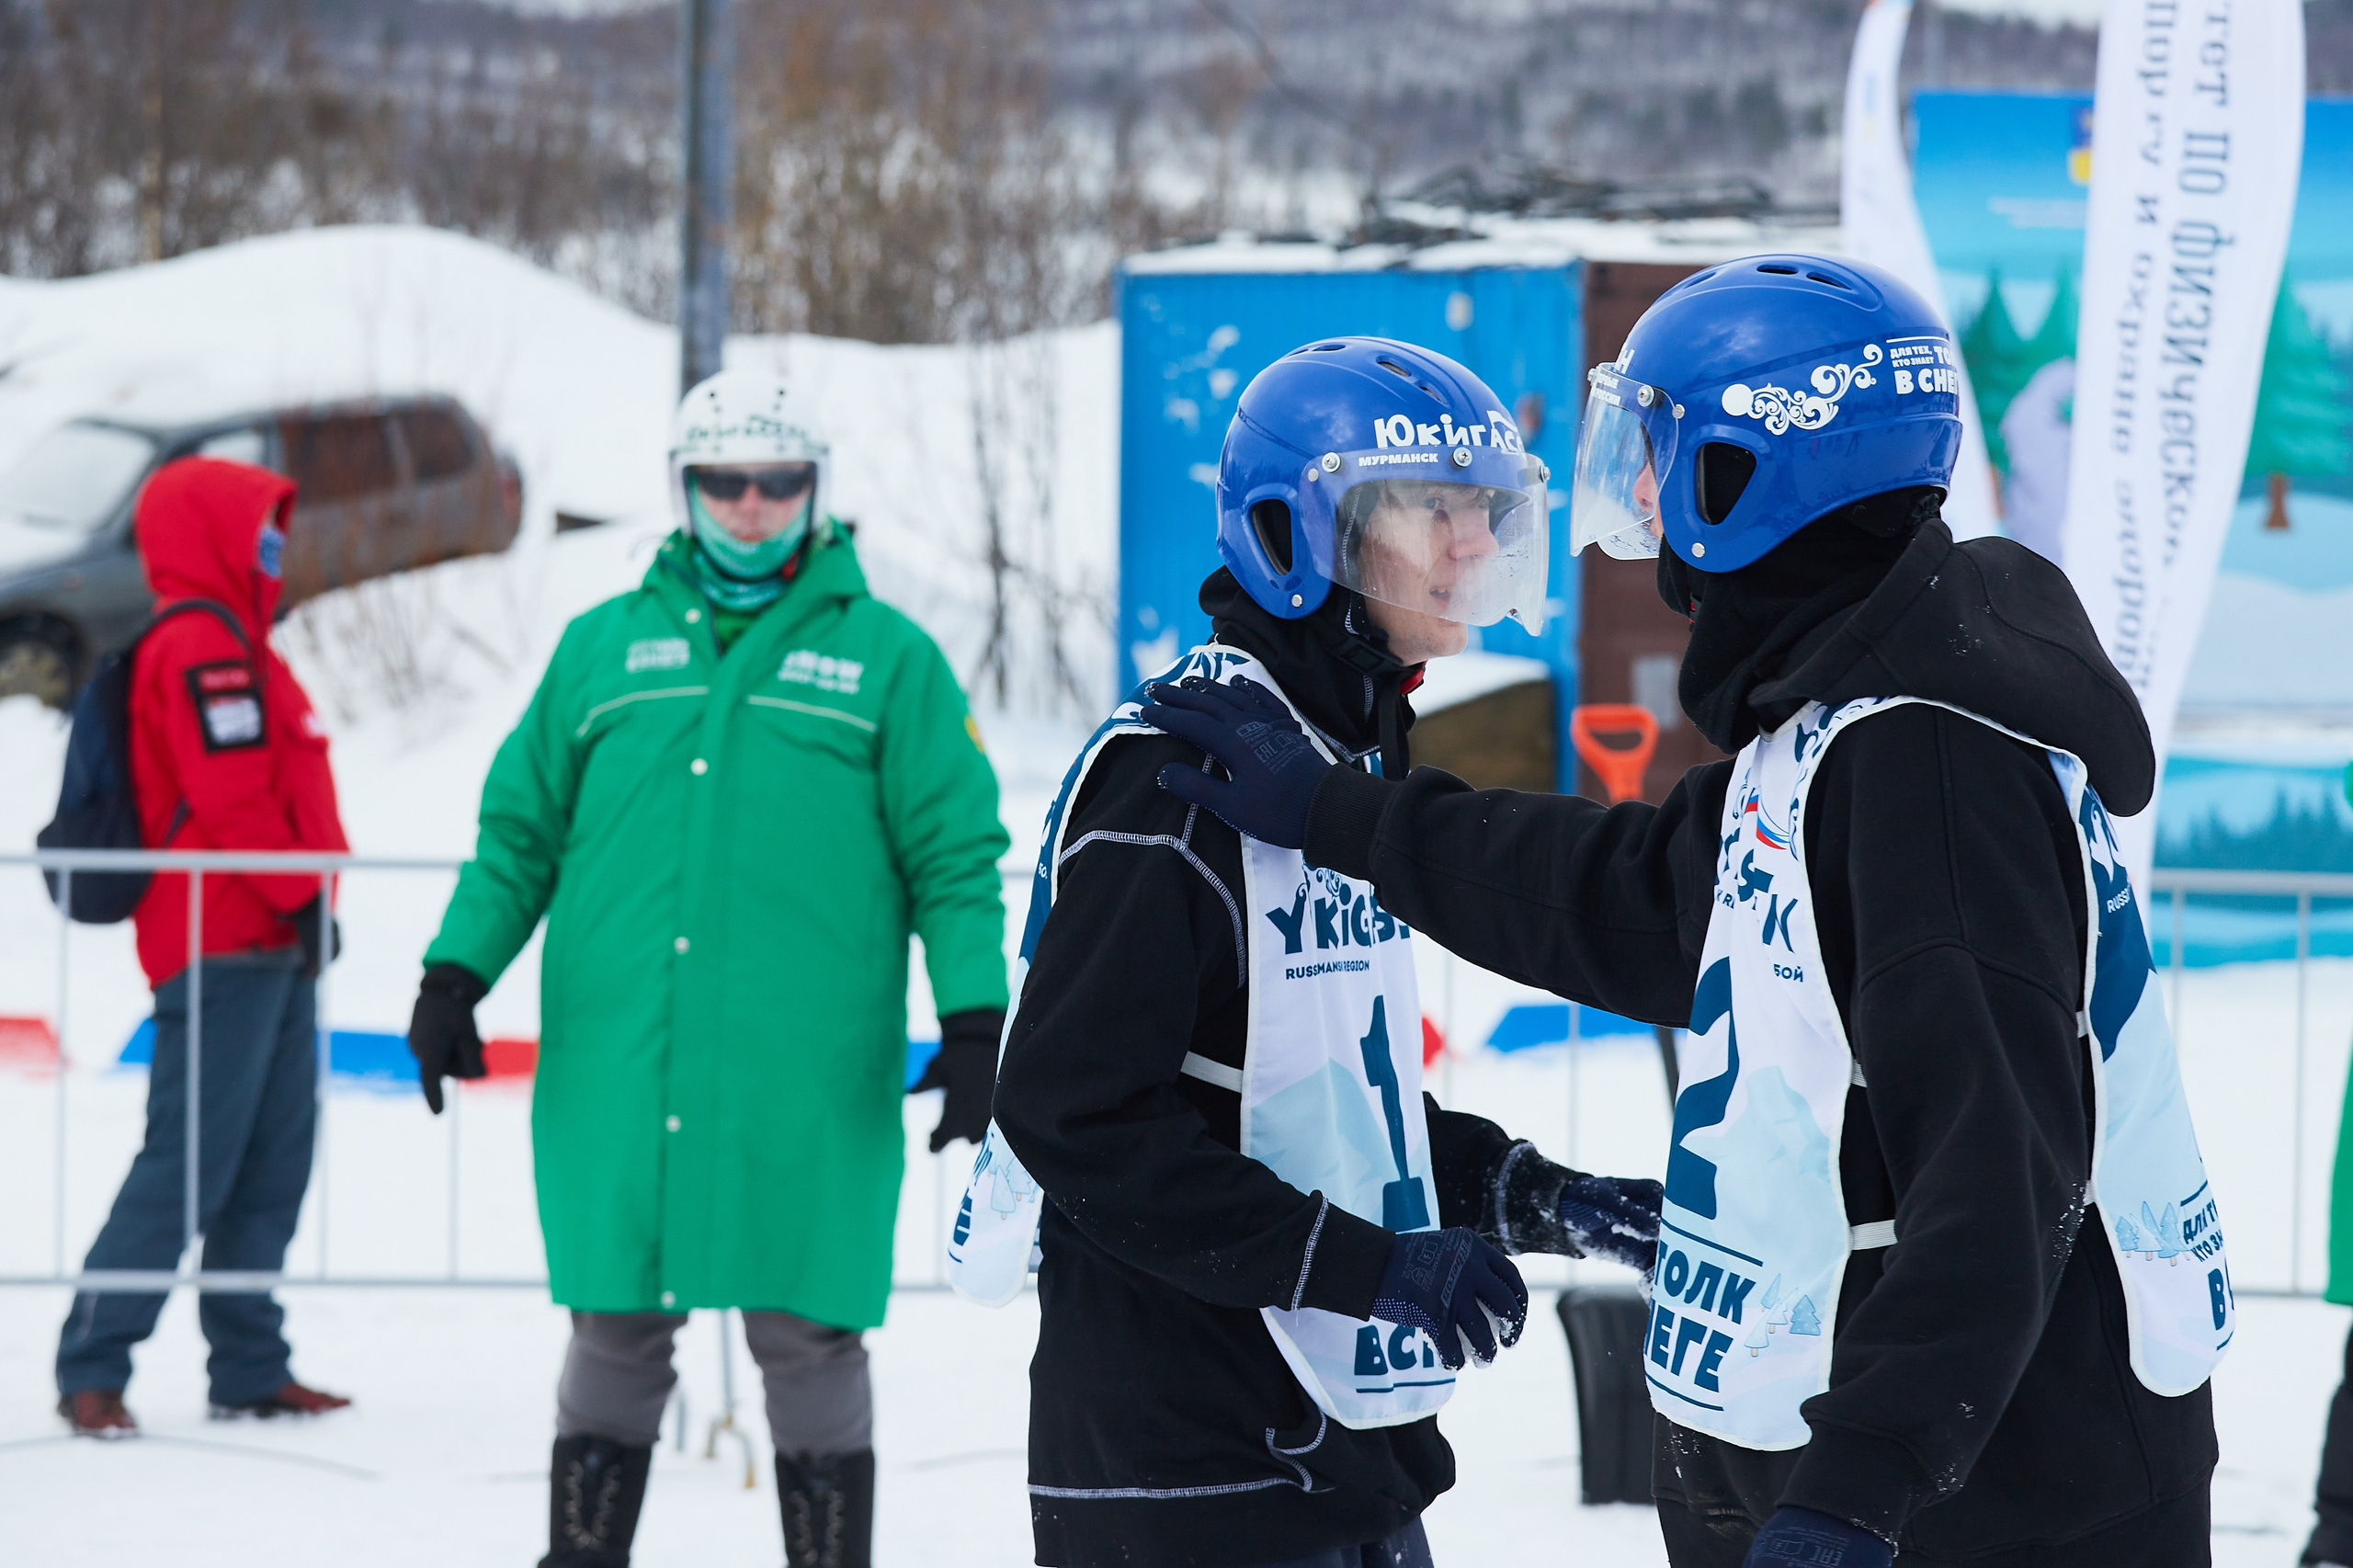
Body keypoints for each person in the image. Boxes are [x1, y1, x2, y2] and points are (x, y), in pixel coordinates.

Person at [1142, 257, 2233, 1567]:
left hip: (1987, 1495)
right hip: (1872, 1449)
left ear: (1747, 471)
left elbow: (2000, 1179)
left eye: (1656, 450)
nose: (1641, 493)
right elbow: (1639, 900)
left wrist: (1853, 1491)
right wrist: (1347, 818)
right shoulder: (1835, 729)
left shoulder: (1933, 771)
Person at [951, 336, 1663, 1568]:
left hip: (1335, 1469)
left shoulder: (1322, 773)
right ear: (1300, 533)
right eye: (1429, 510)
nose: (1471, 544)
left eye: (1484, 511)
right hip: (1189, 1477)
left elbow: (1322, 1100)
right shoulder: (1177, 783)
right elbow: (1077, 1118)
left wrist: (1528, 1192)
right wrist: (1373, 1265)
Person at [405, 368, 1009, 1568]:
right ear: (683, 489)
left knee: (809, 1330)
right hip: (625, 1057)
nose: (748, 505)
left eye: (775, 481)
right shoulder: (601, 649)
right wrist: (453, 974)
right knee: (615, 1322)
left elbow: (955, 855)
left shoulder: (890, 660)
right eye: (722, 482)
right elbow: (519, 833)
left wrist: (977, 1016)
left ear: (814, 490)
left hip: (805, 1069)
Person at [55, 456, 351, 1437]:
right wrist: (303, 891)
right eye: (261, 524)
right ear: (216, 534)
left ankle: (250, 1364)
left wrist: (305, 906)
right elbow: (230, 797)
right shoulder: (200, 646)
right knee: (188, 1163)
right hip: (220, 938)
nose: (276, 543)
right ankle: (93, 1362)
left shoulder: (244, 643)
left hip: (274, 938)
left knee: (272, 1162)